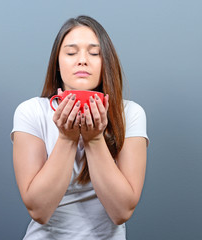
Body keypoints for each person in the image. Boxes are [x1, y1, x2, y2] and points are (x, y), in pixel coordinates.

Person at [11, 15, 149, 240]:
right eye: (71, 52)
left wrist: (94, 139)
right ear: (57, 62)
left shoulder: (131, 114)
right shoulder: (31, 111)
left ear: (107, 62)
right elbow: (39, 210)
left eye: (94, 53)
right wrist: (67, 138)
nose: (82, 60)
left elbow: (122, 212)